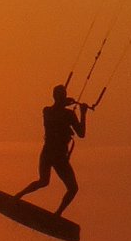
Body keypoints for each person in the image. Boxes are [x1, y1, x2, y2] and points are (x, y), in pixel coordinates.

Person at [14, 84, 89, 216]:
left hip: (48, 153)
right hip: (57, 155)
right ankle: (57, 213)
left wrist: (72, 108)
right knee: (72, 188)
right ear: (60, 97)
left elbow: (80, 134)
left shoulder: (50, 111)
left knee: (44, 181)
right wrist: (83, 113)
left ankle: (18, 196)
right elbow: (81, 133)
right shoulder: (55, 112)